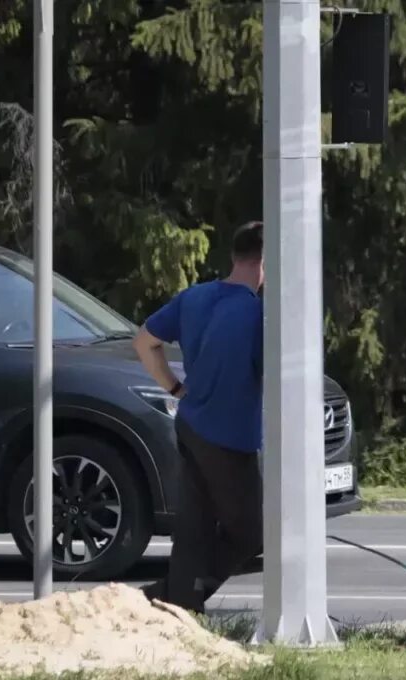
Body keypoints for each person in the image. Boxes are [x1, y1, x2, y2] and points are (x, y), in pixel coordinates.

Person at [133, 220, 266, 614]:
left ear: (234, 256)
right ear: (266, 262)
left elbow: (144, 342)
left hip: (190, 424)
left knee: (194, 529)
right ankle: (172, 597)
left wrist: (175, 388)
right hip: (229, 438)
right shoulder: (257, 315)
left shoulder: (194, 297)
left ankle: (176, 604)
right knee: (248, 535)